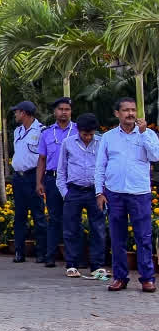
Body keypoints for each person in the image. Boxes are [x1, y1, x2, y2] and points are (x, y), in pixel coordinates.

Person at [95, 97, 159, 292]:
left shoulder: (148, 134)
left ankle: (147, 278)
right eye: (126, 110)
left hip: (139, 193)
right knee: (117, 238)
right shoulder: (108, 137)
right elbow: (100, 166)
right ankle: (120, 277)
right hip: (115, 194)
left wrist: (144, 133)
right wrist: (99, 192)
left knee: (143, 237)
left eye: (133, 110)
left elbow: (156, 156)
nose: (130, 113)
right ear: (117, 114)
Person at [55, 113, 107, 280]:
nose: (88, 137)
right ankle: (72, 265)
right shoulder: (68, 143)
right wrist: (65, 193)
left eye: (91, 134)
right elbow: (61, 170)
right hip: (74, 191)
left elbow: (106, 166)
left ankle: (97, 266)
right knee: (71, 229)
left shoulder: (101, 142)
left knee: (98, 229)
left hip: (95, 191)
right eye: (85, 134)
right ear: (78, 131)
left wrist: (103, 191)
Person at [36, 97, 75, 268]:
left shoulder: (78, 130)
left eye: (67, 109)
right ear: (55, 112)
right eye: (61, 109)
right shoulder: (46, 133)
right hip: (52, 179)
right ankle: (50, 256)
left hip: (71, 180)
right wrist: (39, 181)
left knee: (72, 219)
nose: (64, 112)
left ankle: (75, 258)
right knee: (54, 218)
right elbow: (42, 159)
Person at [10, 101, 47, 264]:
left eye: (16, 112)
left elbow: (43, 157)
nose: (15, 115)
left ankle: (42, 252)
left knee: (38, 216)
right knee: (19, 216)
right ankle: (19, 251)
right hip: (18, 177)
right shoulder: (17, 131)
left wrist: (40, 180)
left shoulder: (42, 131)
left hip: (33, 177)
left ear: (24, 113)